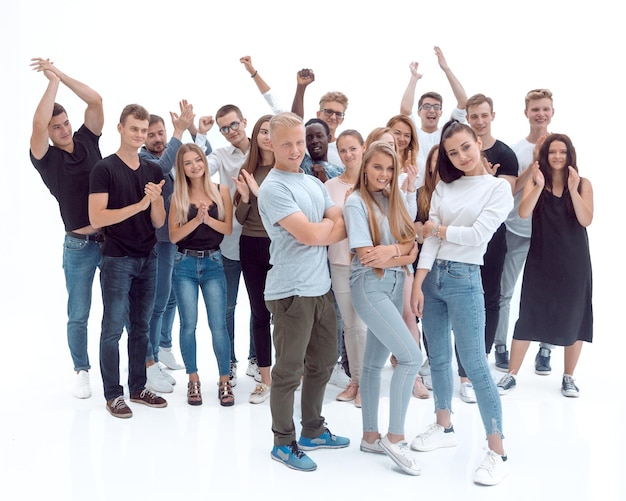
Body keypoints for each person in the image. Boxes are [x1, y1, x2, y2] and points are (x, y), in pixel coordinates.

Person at [410, 120, 513, 486]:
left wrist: (434, 229)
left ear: (479, 142)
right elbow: (430, 244)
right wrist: (418, 283)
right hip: (433, 277)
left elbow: (476, 236)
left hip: (466, 278)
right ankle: (443, 425)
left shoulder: (497, 189)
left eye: (466, 147)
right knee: (437, 357)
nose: (461, 156)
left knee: (474, 364)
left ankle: (497, 450)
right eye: (453, 152)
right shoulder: (444, 187)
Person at [258, 112, 349, 472]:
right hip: (291, 291)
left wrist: (323, 228)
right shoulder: (274, 187)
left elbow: (337, 218)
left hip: (321, 288)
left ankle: (312, 430)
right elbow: (313, 235)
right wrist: (327, 228)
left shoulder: (311, 180)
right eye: (286, 144)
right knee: (288, 372)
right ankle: (283, 442)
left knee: (324, 362)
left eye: (299, 141)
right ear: (271, 145)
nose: (296, 149)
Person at [344, 140, 421, 475]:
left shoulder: (395, 199)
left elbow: (412, 249)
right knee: (411, 357)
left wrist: (392, 252)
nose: (384, 174)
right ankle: (396, 437)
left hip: (393, 283)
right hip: (369, 284)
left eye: (390, 169)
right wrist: (398, 251)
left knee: (374, 366)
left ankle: (371, 436)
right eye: (377, 167)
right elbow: (365, 253)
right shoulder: (356, 201)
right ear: (365, 167)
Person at [29, 57, 104, 399]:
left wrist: (61, 73)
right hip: (77, 245)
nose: (62, 129)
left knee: (124, 307)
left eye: (65, 123)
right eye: (55, 126)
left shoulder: (88, 140)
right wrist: (51, 84)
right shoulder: (46, 157)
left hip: (111, 238)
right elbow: (37, 121)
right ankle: (82, 370)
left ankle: (136, 369)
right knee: (79, 313)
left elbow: (95, 101)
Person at [497, 134, 593, 398]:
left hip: (575, 261)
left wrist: (573, 190)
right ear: (545, 155)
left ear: (570, 154)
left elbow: (586, 220)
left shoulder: (583, 184)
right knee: (529, 314)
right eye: (553, 152)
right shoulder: (537, 182)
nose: (558, 156)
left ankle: (568, 376)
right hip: (541, 257)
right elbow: (524, 212)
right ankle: (511, 374)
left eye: (563, 152)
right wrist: (538, 185)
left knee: (575, 316)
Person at [89, 104, 168, 418]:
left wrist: (156, 201)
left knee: (141, 328)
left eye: (144, 130)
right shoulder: (104, 169)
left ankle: (138, 388)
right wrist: (139, 205)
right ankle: (113, 394)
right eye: (134, 128)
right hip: (117, 259)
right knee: (112, 329)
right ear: (120, 128)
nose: (139, 135)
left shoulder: (154, 170)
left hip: (148, 257)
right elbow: (97, 218)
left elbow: (158, 221)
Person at [453, 93, 519, 403]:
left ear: (492, 115)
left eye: (484, 115)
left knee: (490, 299)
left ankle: (480, 362)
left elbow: (503, 199)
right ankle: (464, 373)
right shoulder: (457, 152)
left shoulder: (505, 153)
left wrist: (486, 184)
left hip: (494, 238)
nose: (479, 121)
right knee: (462, 300)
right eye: (474, 116)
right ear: (468, 118)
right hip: (461, 238)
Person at [493, 89, 556, 373]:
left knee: (548, 292)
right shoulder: (515, 150)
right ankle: (500, 346)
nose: (540, 114)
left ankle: (546, 349)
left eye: (545, 109)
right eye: (535, 109)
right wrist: (534, 163)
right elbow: (511, 191)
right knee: (505, 291)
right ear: (526, 113)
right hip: (516, 229)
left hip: (549, 234)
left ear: (552, 111)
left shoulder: (561, 147)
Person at [169, 143, 234, 406]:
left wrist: (207, 220)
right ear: (181, 168)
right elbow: (174, 236)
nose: (195, 166)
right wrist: (196, 220)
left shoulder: (222, 191)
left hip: (214, 263)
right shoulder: (178, 197)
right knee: (188, 324)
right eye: (188, 163)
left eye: (198, 160)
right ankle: (193, 378)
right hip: (184, 263)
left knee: (218, 325)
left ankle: (224, 380)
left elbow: (227, 228)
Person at [140, 104, 196, 394]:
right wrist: (178, 132)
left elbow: (198, 155)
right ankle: (148, 362)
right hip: (157, 242)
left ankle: (162, 347)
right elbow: (158, 170)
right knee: (157, 301)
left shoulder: (170, 156)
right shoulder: (145, 161)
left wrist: (193, 131)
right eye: (152, 134)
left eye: (161, 133)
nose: (158, 138)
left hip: (175, 239)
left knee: (171, 298)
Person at [203, 104, 256, 387]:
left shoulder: (263, 149)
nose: (230, 131)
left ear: (244, 121)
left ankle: (256, 360)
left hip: (261, 241)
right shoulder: (221, 156)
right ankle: (229, 362)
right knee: (227, 307)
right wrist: (198, 135)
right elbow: (198, 168)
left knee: (261, 306)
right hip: (229, 242)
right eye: (224, 128)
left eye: (234, 125)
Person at [232, 114, 275, 404]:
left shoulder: (289, 170)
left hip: (281, 247)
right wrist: (247, 198)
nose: (267, 136)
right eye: (262, 131)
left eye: (273, 131)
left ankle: (286, 376)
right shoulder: (248, 170)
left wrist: (261, 196)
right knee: (259, 313)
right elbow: (240, 218)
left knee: (284, 314)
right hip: (250, 245)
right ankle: (265, 379)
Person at [324, 129, 368, 407]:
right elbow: (329, 226)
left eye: (353, 149)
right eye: (343, 150)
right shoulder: (329, 187)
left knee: (364, 326)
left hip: (367, 263)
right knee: (350, 325)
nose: (348, 155)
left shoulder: (374, 183)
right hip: (339, 262)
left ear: (364, 148)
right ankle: (356, 380)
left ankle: (367, 383)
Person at [399, 46, 468, 186]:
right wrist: (414, 78)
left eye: (436, 107)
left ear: (441, 113)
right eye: (427, 106)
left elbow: (463, 103)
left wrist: (446, 69)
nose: (432, 110)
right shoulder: (414, 132)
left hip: (444, 189)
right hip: (416, 192)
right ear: (419, 112)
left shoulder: (447, 132)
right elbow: (405, 109)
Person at [291, 68, 348, 167]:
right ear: (318, 114)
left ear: (342, 120)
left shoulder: (345, 150)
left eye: (338, 114)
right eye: (329, 112)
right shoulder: (305, 142)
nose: (333, 117)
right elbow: (295, 121)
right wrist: (301, 87)